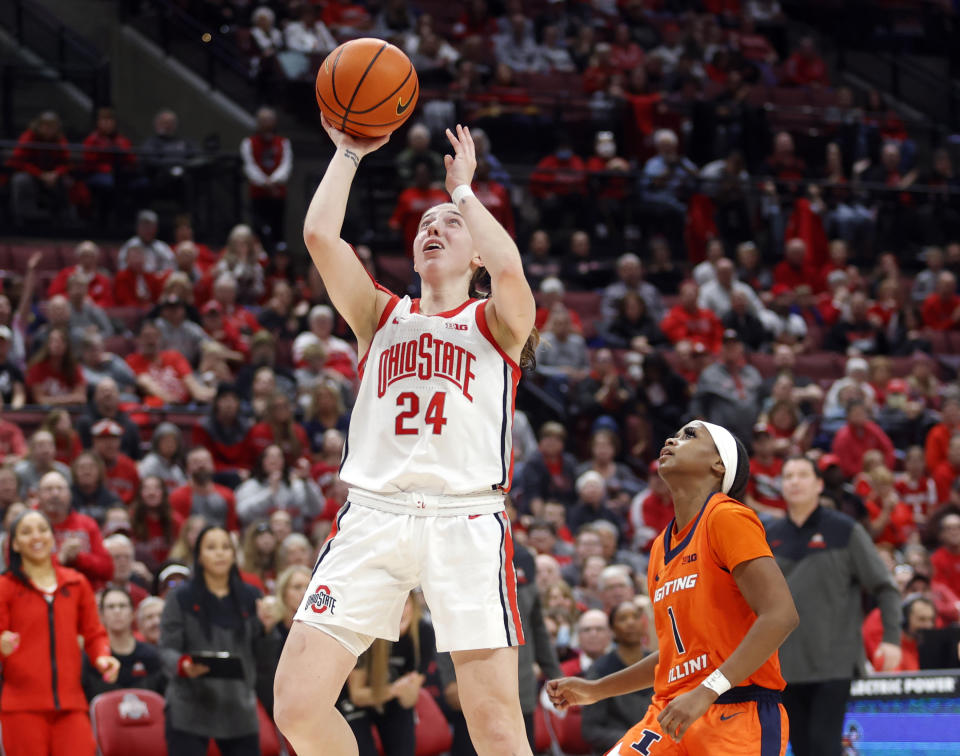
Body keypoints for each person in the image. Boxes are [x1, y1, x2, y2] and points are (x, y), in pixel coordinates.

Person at [273, 121, 538, 756]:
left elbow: (510, 266)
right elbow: (318, 235)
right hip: (374, 515)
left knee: (497, 725)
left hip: (465, 518)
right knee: (298, 707)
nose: (431, 228)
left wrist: (465, 194)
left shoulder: (496, 322)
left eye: (447, 224)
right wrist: (348, 152)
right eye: (423, 225)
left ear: (474, 250)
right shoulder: (380, 315)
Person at [547, 421, 799, 754]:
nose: (672, 438)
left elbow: (781, 615)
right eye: (676, 434)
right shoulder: (659, 549)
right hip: (671, 713)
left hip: (738, 711)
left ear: (719, 464)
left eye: (690, 435)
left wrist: (708, 690)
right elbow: (671, 657)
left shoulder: (726, 518)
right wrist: (596, 690)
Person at [766, 456, 902, 756]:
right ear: (781, 487)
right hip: (783, 666)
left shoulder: (845, 530)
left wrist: (891, 640)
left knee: (824, 747)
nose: (795, 481)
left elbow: (885, 587)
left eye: (803, 475)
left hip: (834, 664)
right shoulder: (768, 535)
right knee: (801, 748)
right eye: (788, 476)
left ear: (818, 485)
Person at [0, 510, 120, 756]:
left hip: (71, 705)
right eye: (26, 532)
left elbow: (94, 633)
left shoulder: (76, 583)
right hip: (22, 708)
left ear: (53, 538)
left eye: (43, 530)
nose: (36, 537)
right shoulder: (5, 587)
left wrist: (102, 656)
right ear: (14, 544)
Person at [159, 525, 282, 755]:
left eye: (226, 547)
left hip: (237, 705)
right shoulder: (180, 597)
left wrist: (267, 630)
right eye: (211, 547)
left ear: (234, 555)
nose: (219, 553)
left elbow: (264, 661)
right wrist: (182, 665)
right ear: (199, 556)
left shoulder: (251, 597)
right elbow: (167, 649)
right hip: (190, 703)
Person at [581, 601, 655, 754]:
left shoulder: (659, 664)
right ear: (612, 630)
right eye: (622, 619)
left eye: (635, 617)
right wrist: (635, 742)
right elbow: (590, 730)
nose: (630, 623)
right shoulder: (599, 670)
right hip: (618, 748)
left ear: (644, 624)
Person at [83, 587, 166, 699]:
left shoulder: (151, 656)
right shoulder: (93, 659)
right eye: (111, 607)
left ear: (132, 614)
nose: (117, 611)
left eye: (122, 606)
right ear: (101, 615)